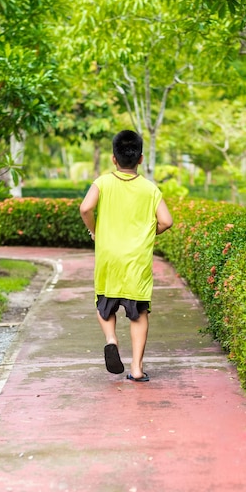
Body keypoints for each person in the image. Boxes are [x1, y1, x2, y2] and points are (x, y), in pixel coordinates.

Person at [79, 130, 173, 382]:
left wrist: (94, 230)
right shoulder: (150, 189)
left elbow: (85, 207)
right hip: (137, 259)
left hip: (108, 256)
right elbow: (166, 221)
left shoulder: (102, 183)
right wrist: (149, 234)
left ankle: (111, 339)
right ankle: (137, 369)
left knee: (105, 303)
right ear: (140, 159)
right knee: (138, 311)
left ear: (114, 159)